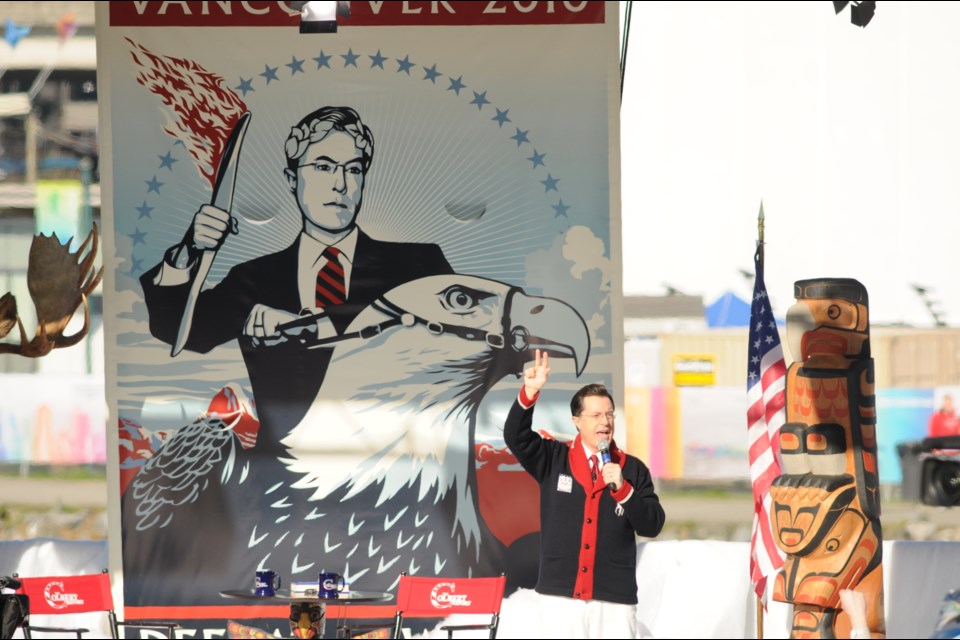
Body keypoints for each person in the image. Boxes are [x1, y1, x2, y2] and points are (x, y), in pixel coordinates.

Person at [140, 106, 453, 450]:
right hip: (283, 478)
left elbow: (458, 340)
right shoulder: (255, 279)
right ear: (292, 180)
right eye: (323, 167)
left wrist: (311, 325)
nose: (341, 184)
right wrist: (188, 250)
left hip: (397, 468)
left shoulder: (418, 265)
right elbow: (177, 334)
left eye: (353, 169)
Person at [503, 349, 665, 638]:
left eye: (609, 414)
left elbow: (652, 525)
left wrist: (624, 490)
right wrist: (529, 392)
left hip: (614, 600)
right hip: (560, 598)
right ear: (577, 421)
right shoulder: (554, 458)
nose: (605, 422)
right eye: (595, 415)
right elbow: (516, 437)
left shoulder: (633, 469)